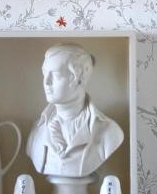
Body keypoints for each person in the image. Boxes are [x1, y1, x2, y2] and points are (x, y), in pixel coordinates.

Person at [26, 44, 123, 178]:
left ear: (80, 78)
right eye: (45, 73)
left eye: (56, 75)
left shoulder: (110, 132)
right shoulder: (37, 131)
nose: (46, 82)